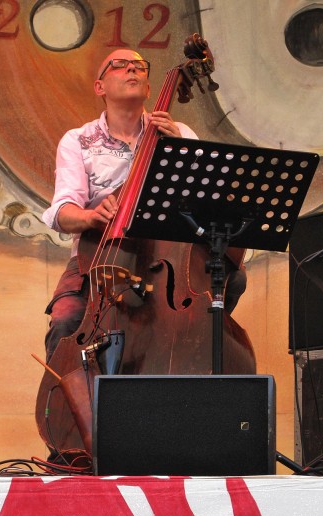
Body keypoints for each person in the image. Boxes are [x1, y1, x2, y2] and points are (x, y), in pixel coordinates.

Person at [42, 48, 246, 363]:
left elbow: (208, 200)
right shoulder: (78, 140)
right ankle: (72, 404)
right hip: (100, 255)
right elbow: (61, 211)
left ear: (149, 89)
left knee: (232, 280)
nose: (132, 70)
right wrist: (91, 216)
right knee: (66, 318)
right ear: (100, 87)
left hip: (167, 261)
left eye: (139, 66)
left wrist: (180, 148)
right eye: (120, 66)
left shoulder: (180, 133)